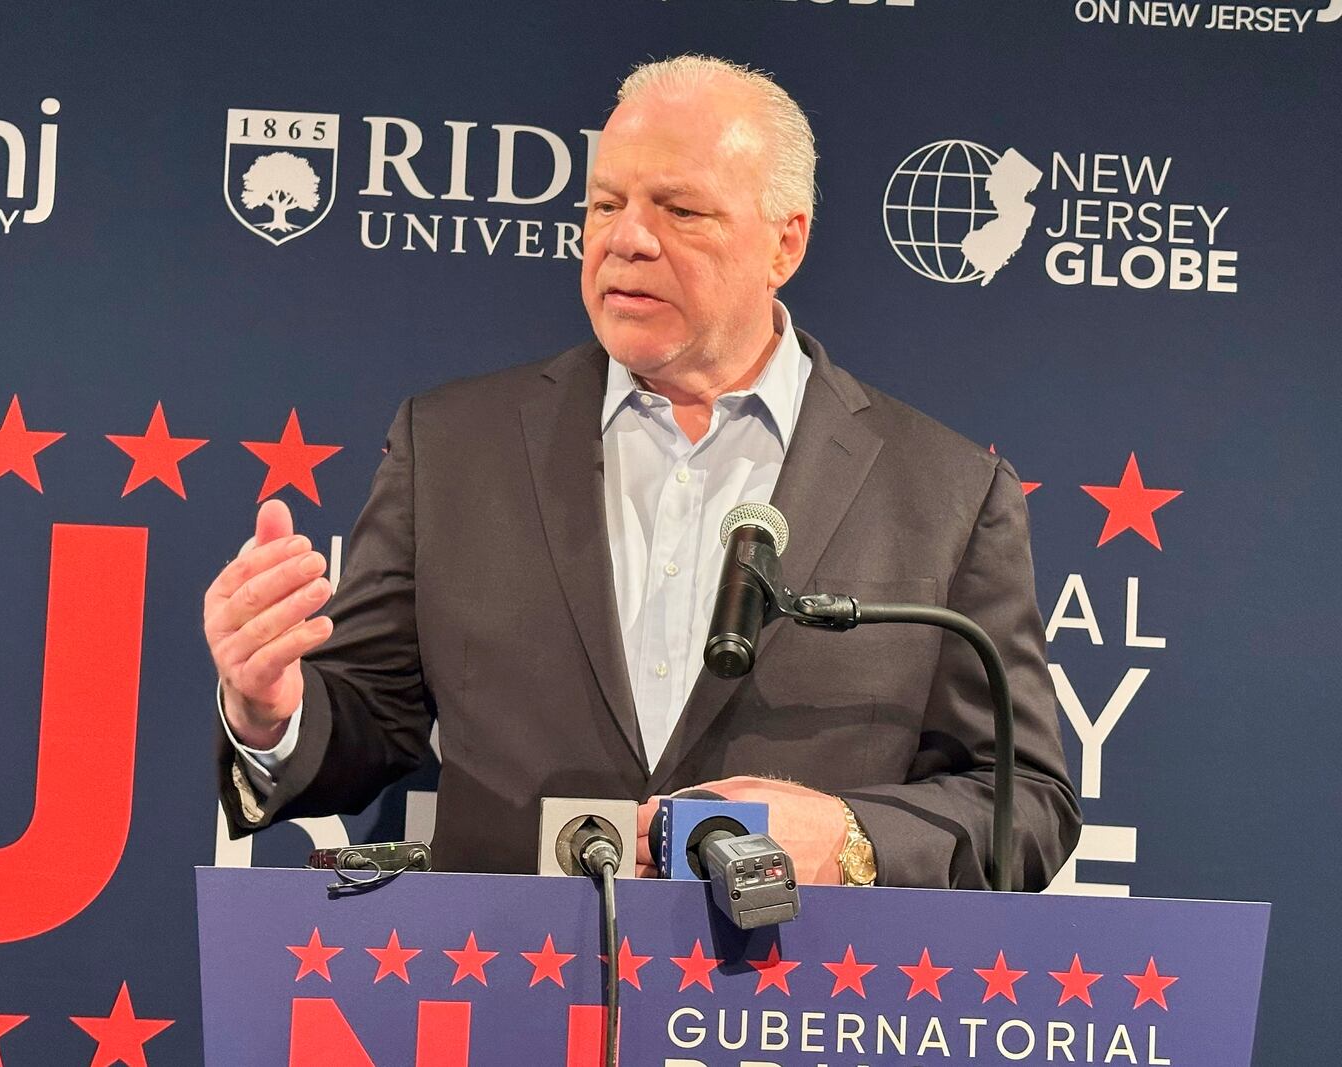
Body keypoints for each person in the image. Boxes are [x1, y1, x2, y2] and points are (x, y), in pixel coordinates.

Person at [205, 56, 1079, 888]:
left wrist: (851, 839)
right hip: (507, 995)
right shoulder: (453, 446)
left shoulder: (946, 492)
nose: (626, 239)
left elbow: (1026, 804)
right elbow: (369, 719)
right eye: (605, 203)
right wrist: (271, 712)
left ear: (786, 244)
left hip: (787, 1011)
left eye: (681, 211)